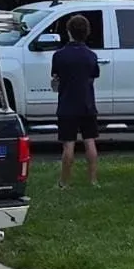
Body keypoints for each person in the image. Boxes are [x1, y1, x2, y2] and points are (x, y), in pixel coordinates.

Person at [51, 13, 100, 187]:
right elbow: (92, 78)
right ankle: (93, 180)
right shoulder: (91, 56)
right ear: (86, 32)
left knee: (68, 144)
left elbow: (55, 82)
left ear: (69, 32)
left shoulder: (59, 56)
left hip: (67, 105)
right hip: (87, 104)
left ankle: (64, 181)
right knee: (90, 141)